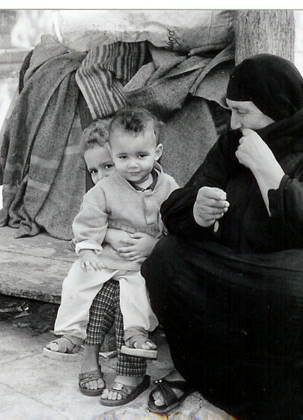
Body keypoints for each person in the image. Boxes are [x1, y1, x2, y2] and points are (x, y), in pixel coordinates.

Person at [141, 53, 303, 420]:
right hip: (246, 278)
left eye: (242, 112)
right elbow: (179, 204)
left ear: (275, 106)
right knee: (167, 258)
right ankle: (207, 377)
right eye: (230, 110)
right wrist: (196, 212)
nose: (233, 123)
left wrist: (272, 178)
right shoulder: (232, 144)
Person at [46, 109, 179, 404]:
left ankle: (135, 337)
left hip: (142, 264)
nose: (131, 165)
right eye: (122, 158)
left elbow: (178, 223)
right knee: (78, 280)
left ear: (157, 153)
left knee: (135, 291)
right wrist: (89, 247)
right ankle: (72, 334)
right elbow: (87, 223)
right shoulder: (105, 190)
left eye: (140, 156)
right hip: (108, 260)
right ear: (116, 153)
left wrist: (155, 243)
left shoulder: (168, 187)